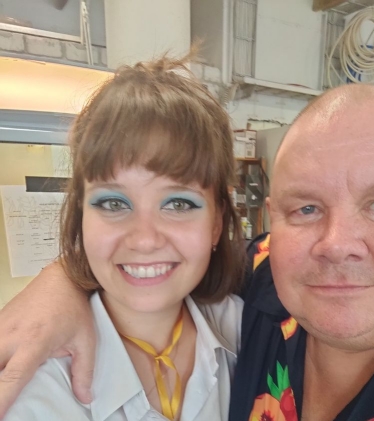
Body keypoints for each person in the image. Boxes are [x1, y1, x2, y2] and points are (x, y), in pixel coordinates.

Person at [2, 83, 374, 421]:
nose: (337, 245)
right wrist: (60, 282)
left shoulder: (233, 319)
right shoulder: (261, 281)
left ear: (217, 222)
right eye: (306, 209)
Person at [0, 54, 245, 420]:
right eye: (114, 202)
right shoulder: (34, 387)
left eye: (178, 203)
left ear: (216, 222)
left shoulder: (250, 328)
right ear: (81, 216)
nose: (144, 240)